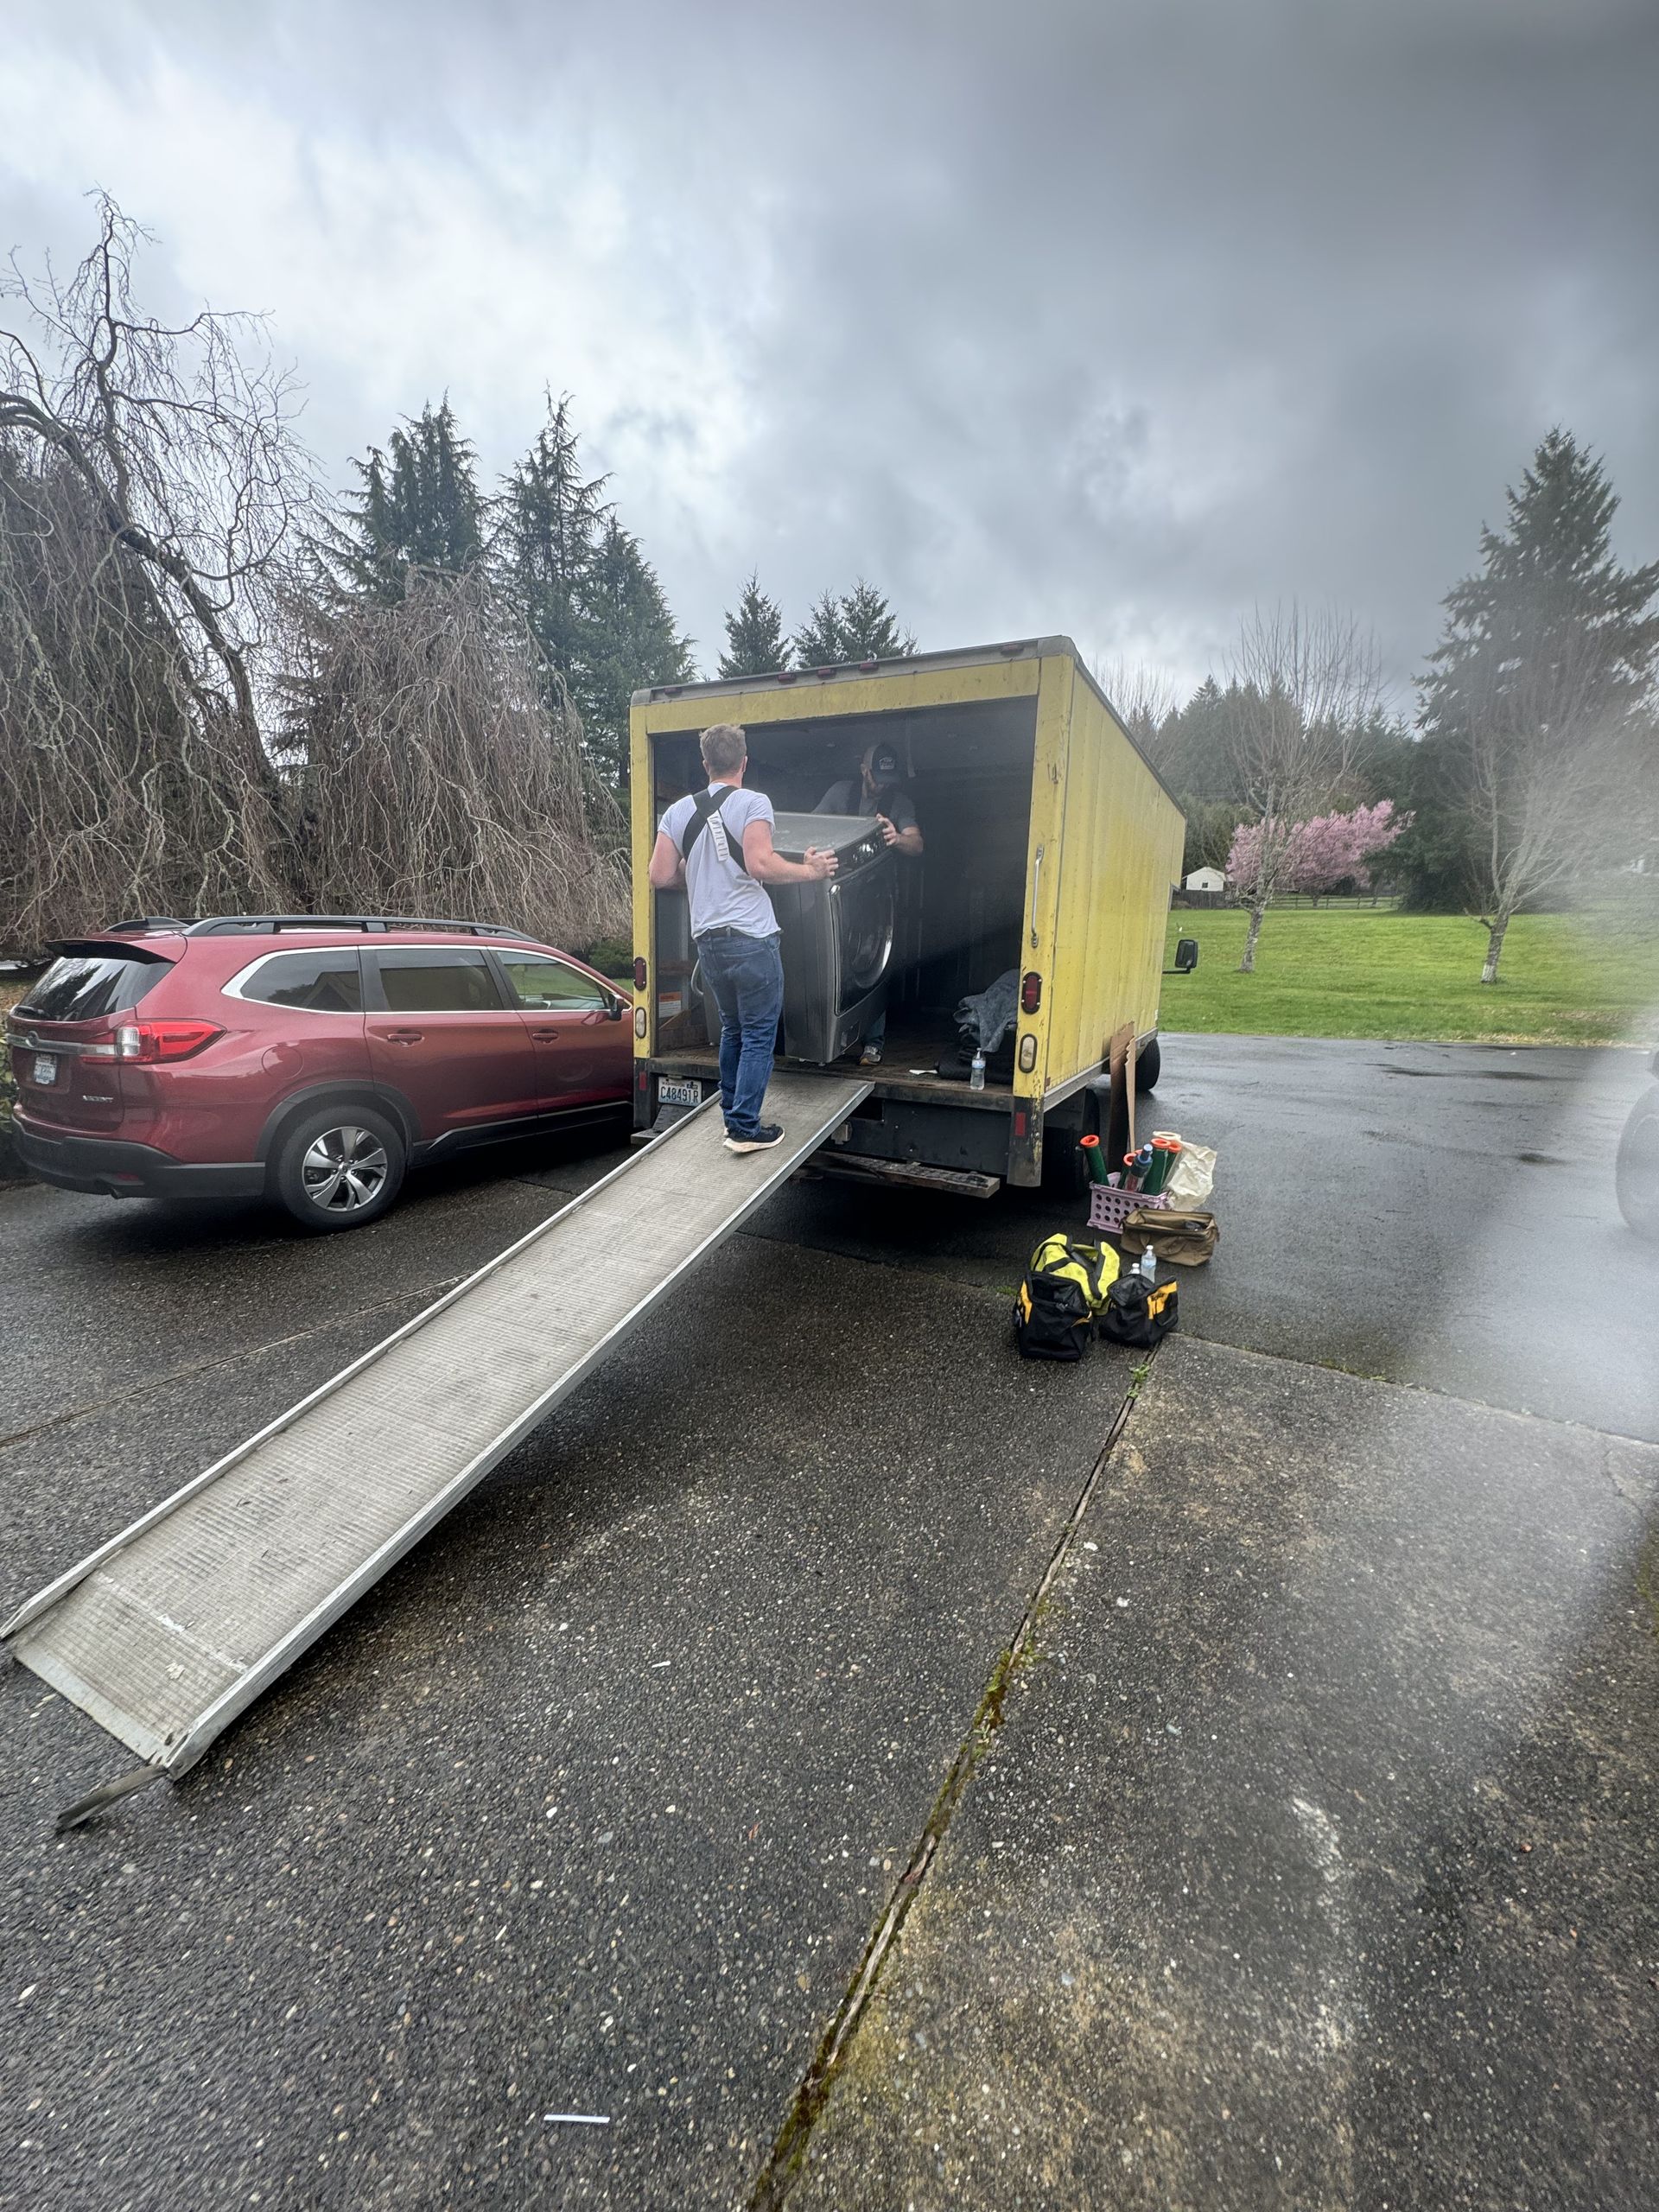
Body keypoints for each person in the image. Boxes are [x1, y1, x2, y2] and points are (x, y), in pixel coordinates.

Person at [648, 721, 836, 1154]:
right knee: (756, 1035)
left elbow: (659, 875)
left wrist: (696, 873)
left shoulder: (677, 812)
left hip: (708, 941)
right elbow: (760, 865)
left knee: (733, 1029)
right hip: (752, 938)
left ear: (705, 763)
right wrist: (811, 871)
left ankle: (734, 1114)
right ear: (744, 762)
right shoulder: (754, 802)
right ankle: (745, 1128)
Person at [814, 739, 923, 1065]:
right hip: (839, 897)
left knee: (874, 965)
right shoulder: (839, 793)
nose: (883, 785)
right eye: (877, 777)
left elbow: (917, 844)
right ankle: (829, 1043)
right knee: (836, 966)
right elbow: (811, 827)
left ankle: (873, 1043)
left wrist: (898, 838)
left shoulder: (899, 802)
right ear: (864, 771)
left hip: (878, 901)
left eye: (889, 780)